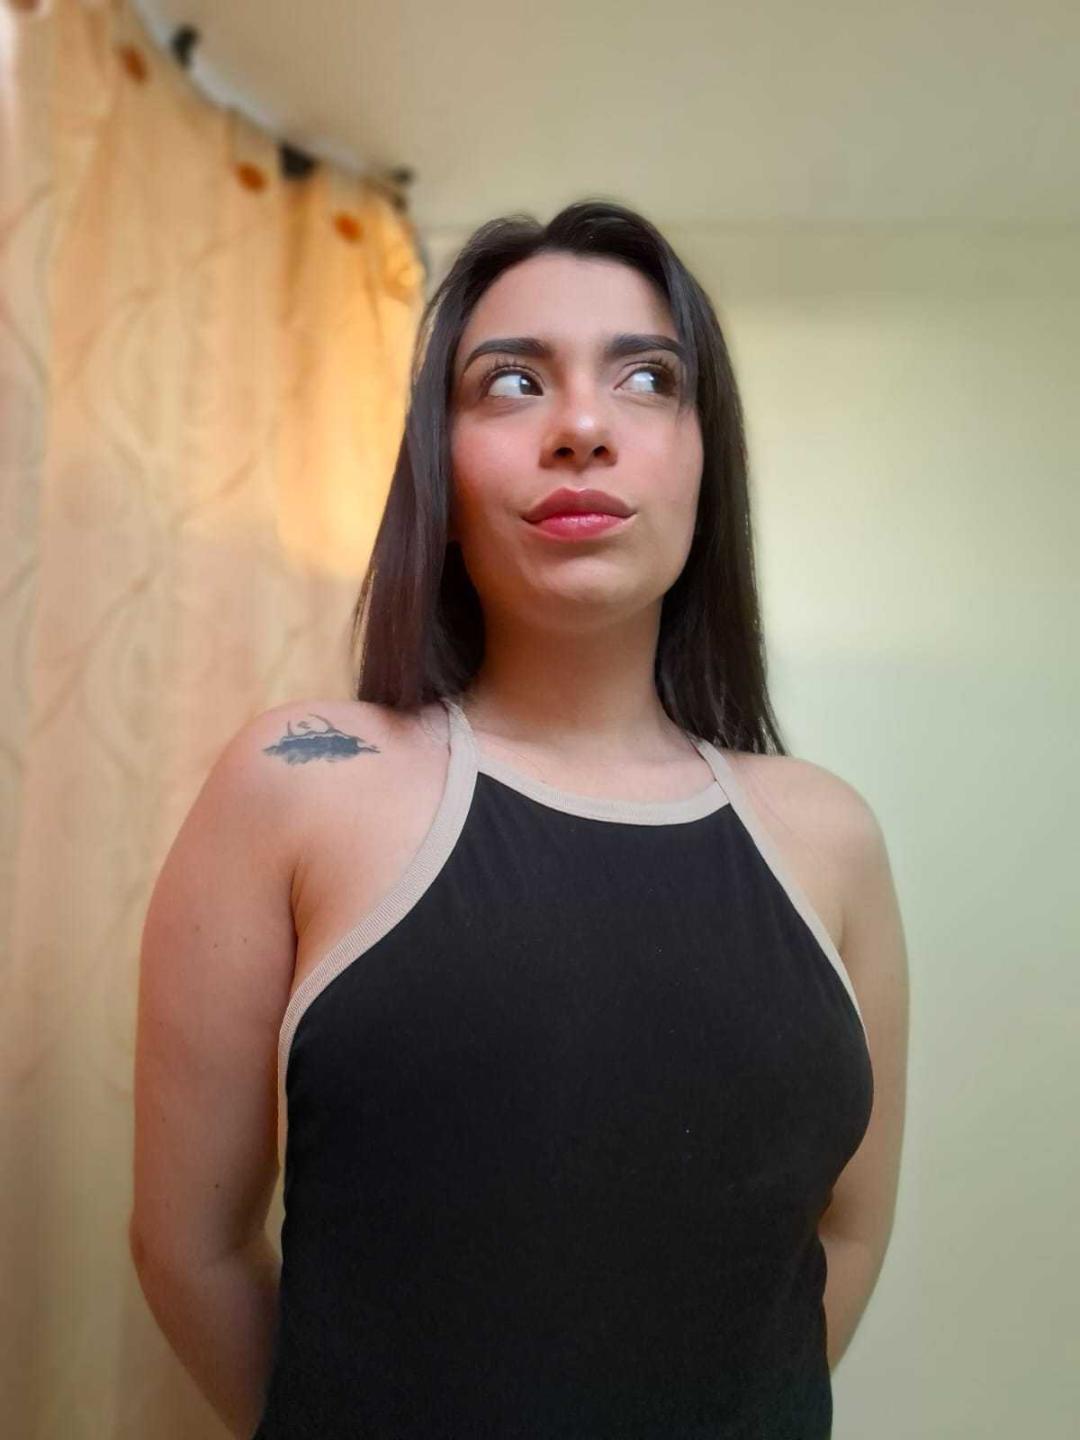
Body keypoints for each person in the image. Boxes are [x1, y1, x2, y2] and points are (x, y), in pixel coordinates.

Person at [130, 199, 909, 1439]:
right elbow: (191, 1249)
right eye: (511, 382)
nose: (582, 428)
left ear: (706, 462)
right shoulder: (298, 779)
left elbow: (846, 1233)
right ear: (438, 468)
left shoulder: (830, 839)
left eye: (647, 379)